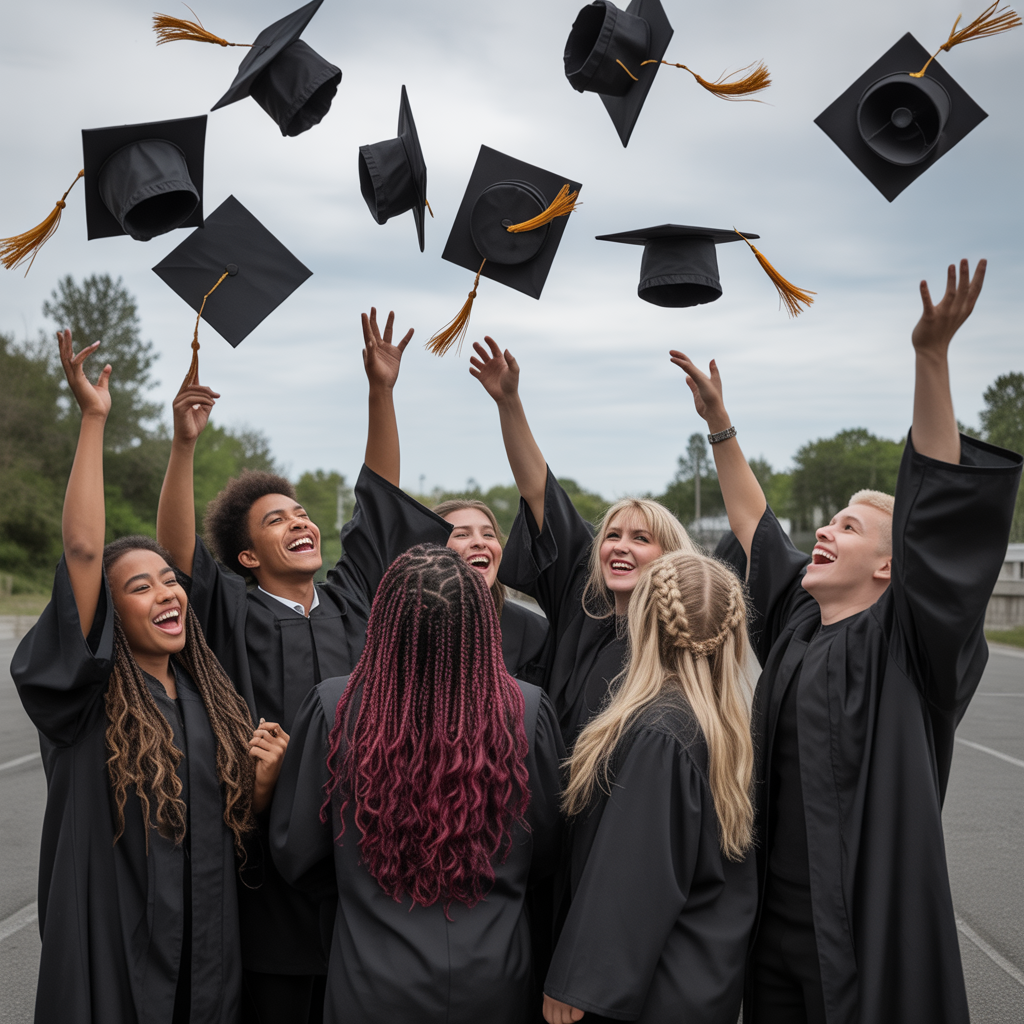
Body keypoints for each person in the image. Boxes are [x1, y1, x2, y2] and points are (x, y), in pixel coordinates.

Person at [672, 259, 1022, 1024]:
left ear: (894, 564)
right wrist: (719, 426)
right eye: (829, 522)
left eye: (850, 527)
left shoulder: (914, 648)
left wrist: (931, 361)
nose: (825, 531)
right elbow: (754, 524)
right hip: (776, 929)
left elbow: (939, 510)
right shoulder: (799, 626)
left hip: (866, 935)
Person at [155, 308, 451, 1023]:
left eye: (302, 512)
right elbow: (178, 552)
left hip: (366, 839)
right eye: (277, 520)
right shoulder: (233, 607)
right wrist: (183, 448)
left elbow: (378, 505)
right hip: (268, 841)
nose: (300, 521)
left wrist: (381, 391)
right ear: (249, 556)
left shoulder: (355, 597)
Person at [12, 330, 287, 1024]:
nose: (168, 592)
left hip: (207, 972)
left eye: (171, 580)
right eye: (140, 586)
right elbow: (81, 548)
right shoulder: (87, 702)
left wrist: (260, 787)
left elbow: (226, 831)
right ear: (108, 609)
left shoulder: (210, 704)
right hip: (115, 966)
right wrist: (95, 420)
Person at [270, 544, 566, 1023]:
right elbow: (547, 846)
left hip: (373, 972)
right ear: (481, 623)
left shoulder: (335, 707)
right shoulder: (527, 709)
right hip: (494, 972)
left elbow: (298, 851)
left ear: (385, 620)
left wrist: (366, 881)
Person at [542, 550, 758, 1024]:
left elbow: (631, 877)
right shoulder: (720, 721)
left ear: (643, 621)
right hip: (700, 969)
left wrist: (577, 983)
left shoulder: (661, 731)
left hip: (653, 987)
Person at [469, 337, 695, 746]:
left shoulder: (683, 636)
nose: (620, 546)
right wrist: (509, 404)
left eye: (641, 538)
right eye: (612, 535)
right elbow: (540, 494)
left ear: (670, 557)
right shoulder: (583, 602)